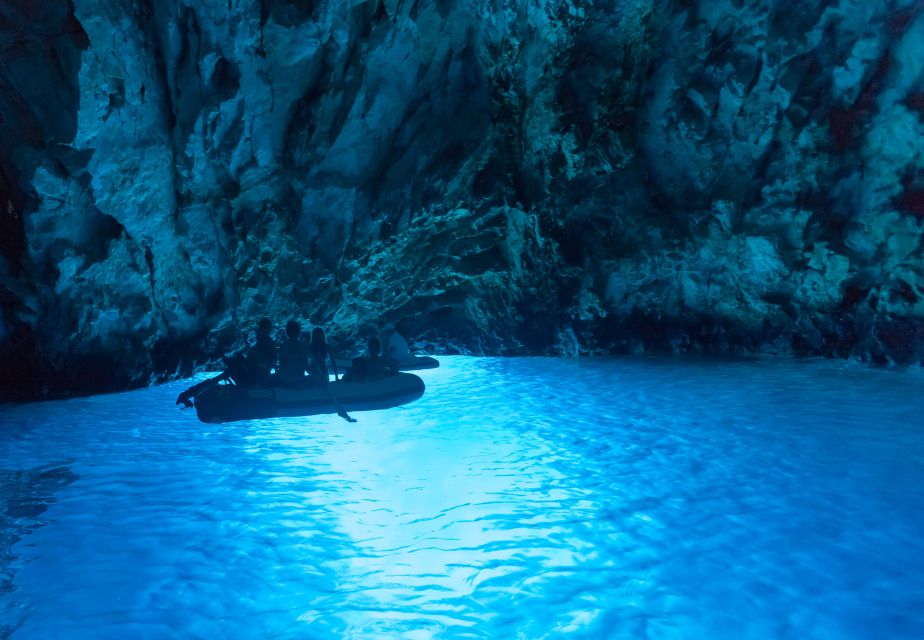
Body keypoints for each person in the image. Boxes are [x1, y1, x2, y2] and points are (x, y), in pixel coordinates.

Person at [277, 320, 310, 387]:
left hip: (284, 380)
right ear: (299, 332)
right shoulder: (302, 346)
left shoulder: (283, 346)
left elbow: (281, 364)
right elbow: (306, 365)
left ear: (287, 332)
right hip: (298, 380)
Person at [247, 317, 276, 384]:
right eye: (265, 327)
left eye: (268, 328)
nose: (267, 330)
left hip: (260, 372)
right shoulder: (265, 341)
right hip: (258, 373)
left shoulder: (269, 341)